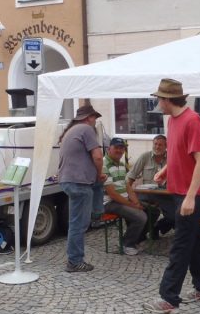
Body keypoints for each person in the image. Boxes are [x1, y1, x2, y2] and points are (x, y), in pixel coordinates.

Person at [144, 78, 200, 314]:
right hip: (180, 191)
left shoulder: (192, 120)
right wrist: (165, 170)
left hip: (193, 193)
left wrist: (191, 197)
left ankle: (169, 299)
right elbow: (177, 152)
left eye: (159, 99)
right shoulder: (172, 120)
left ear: (167, 100)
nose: (157, 103)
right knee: (193, 239)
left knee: (181, 244)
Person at [58, 104, 106, 272]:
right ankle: (74, 261)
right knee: (79, 224)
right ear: (88, 118)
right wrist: (99, 174)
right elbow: (98, 157)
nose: (95, 121)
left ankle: (97, 214)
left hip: (69, 180)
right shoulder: (86, 129)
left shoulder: (72, 130)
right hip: (79, 182)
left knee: (75, 223)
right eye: (95, 118)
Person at [103, 137, 147, 255]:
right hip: (109, 203)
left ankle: (137, 238)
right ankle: (127, 244)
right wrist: (132, 205)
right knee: (141, 217)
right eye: (116, 147)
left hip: (122, 200)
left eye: (122, 148)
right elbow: (112, 194)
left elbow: (127, 186)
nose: (119, 150)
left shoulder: (121, 164)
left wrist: (136, 202)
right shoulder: (104, 164)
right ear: (109, 149)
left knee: (151, 210)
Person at [126, 134, 174, 237]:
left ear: (166, 146)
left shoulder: (171, 158)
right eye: (155, 144)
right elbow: (131, 176)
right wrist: (127, 194)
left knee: (174, 214)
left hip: (165, 195)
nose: (157, 147)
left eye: (160, 145)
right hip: (147, 194)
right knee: (139, 208)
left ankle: (157, 227)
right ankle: (139, 235)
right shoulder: (145, 156)